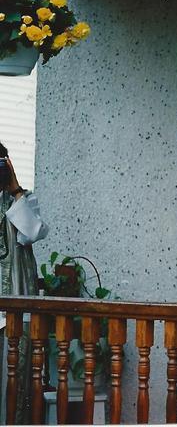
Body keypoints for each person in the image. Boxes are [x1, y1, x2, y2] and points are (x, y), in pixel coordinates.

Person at [0, 142, 49, 423]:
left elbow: (32, 232)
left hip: (13, 315)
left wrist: (15, 189)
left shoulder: (23, 201)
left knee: (14, 389)